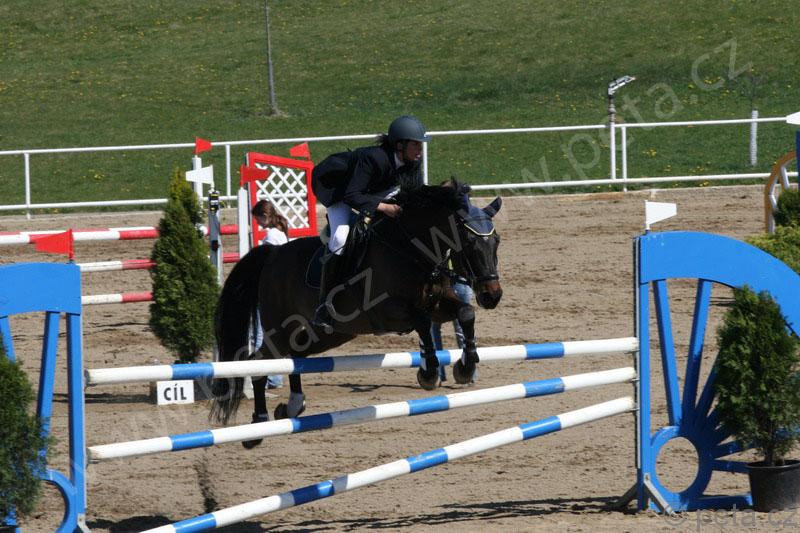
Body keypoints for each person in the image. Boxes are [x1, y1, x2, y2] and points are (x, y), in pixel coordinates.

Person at [310, 115, 431, 329]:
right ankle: (324, 304)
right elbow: (352, 195)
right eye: (416, 144)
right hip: (339, 190)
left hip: (374, 189)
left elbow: (415, 194)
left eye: (420, 144)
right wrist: (384, 207)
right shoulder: (373, 158)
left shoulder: (413, 162)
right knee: (340, 239)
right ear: (400, 145)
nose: (420, 149)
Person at [252, 199, 289, 388]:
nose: (257, 223)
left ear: (265, 216)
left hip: (268, 291)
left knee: (259, 335)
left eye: (258, 219)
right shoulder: (280, 234)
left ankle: (266, 378)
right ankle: (275, 377)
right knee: (272, 335)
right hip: (280, 292)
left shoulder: (271, 237)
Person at [427, 277, 476, 382]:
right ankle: (469, 374)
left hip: (440, 283)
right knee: (464, 329)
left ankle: (438, 375)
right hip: (461, 282)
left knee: (434, 329)